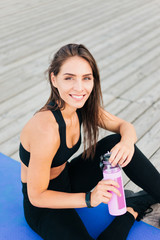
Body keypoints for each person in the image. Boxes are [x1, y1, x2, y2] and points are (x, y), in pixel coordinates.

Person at [19, 43, 160, 240]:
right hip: (44, 204)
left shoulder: (81, 106)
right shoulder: (45, 128)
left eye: (86, 78)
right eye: (69, 78)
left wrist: (127, 142)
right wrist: (89, 198)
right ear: (54, 79)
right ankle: (133, 208)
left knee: (117, 141)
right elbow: (37, 196)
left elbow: (125, 126)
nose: (79, 88)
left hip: (69, 179)